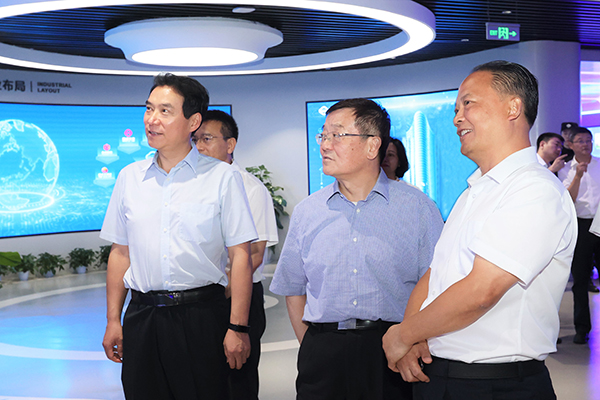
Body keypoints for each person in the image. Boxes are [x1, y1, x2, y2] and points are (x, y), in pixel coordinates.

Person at [382, 60, 577, 400]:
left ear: (513, 107)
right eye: (455, 109)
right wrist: (412, 337)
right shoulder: (474, 191)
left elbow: (482, 290)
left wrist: (401, 335)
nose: (457, 118)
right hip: (440, 376)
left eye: (468, 103)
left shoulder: (534, 190)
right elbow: (436, 274)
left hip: (497, 384)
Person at [270, 98, 444, 400]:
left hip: (393, 349)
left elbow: (437, 284)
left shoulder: (417, 208)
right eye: (323, 135)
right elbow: (293, 287)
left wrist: (413, 339)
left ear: (372, 145)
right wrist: (311, 344)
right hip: (323, 353)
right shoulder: (308, 212)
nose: (325, 145)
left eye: (337, 135)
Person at [100, 73, 257, 400]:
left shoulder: (222, 178)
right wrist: (113, 319)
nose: (152, 119)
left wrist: (238, 327)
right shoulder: (129, 178)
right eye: (149, 109)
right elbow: (120, 252)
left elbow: (241, 255)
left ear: (193, 122)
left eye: (165, 111)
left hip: (201, 317)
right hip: (142, 316)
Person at [194, 109, 279, 400]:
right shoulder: (194, 187)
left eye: (207, 139)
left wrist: (224, 295)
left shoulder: (250, 189)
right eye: (195, 140)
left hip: (237, 297)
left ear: (230, 145)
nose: (199, 147)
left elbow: (254, 253)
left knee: (237, 380)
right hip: (205, 299)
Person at [558, 126, 600, 343]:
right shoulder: (565, 170)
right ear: (571, 145)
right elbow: (568, 200)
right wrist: (578, 175)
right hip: (580, 225)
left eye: (588, 140)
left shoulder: (599, 164)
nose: (586, 144)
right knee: (581, 279)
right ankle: (582, 328)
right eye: (581, 141)